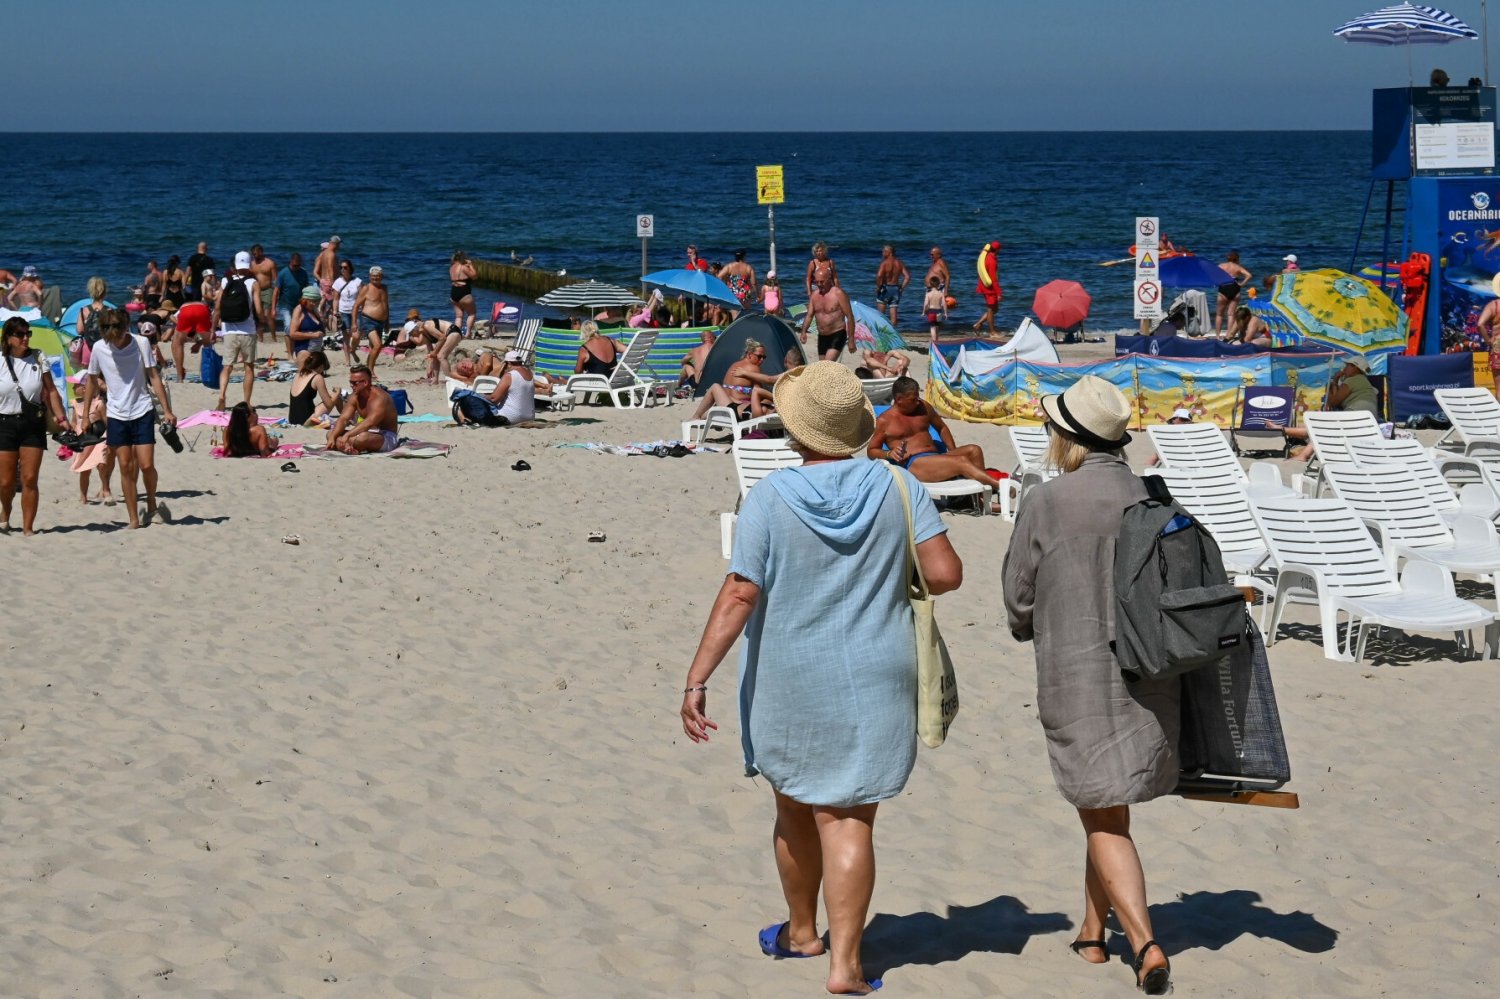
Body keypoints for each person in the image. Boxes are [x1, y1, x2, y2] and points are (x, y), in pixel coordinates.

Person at [680, 361, 962, 997]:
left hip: (790, 674)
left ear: (795, 430)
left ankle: (803, 933)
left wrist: (697, 678)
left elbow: (740, 592)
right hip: (877, 670)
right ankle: (847, 966)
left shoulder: (769, 496)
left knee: (793, 807)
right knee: (850, 819)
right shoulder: (898, 485)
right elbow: (946, 574)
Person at [1002, 375, 1175, 996]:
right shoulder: (1153, 493)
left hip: (1078, 673)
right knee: (1106, 807)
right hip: (1152, 673)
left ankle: (1145, 944)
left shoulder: (1049, 500)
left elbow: (1017, 599)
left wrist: (1037, 618)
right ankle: (1092, 934)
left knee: (1102, 816)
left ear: (1066, 437)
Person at [80, 308, 177, 529]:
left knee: (146, 464)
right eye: (107, 330)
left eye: (115, 330)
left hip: (142, 409)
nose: (112, 336)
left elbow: (153, 376)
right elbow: (92, 381)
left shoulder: (140, 343)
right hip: (116, 414)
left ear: (125, 327)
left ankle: (151, 503)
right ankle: (133, 518)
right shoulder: (99, 348)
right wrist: (85, 415)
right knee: (125, 465)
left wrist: (167, 411)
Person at [868, 376, 999, 503]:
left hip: (935, 457)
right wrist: (889, 454)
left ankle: (979, 499)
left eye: (918, 397)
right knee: (961, 461)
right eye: (913, 399)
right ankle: (999, 485)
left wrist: (952, 451)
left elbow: (942, 428)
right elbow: (871, 451)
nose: (917, 401)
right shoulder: (884, 421)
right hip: (914, 464)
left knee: (974, 450)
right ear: (899, 399)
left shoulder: (923, 407)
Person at [1, 317, 70, 535]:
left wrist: (61, 418)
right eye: (20, 334)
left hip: (33, 423)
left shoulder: (38, 358)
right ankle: (6, 511)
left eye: (27, 333)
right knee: (5, 482)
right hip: (4, 424)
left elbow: (51, 390)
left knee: (29, 478)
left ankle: (28, 528)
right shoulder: (0, 360)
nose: (25, 338)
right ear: (8, 338)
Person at [1279, 355, 1379, 459]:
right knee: (1321, 428)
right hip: (1366, 419)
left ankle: (1288, 437)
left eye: (1347, 366)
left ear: (1356, 368)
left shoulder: (1353, 380)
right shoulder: (1362, 381)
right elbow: (1337, 401)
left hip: (1356, 417)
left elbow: (1333, 402)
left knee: (1322, 429)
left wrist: (1335, 381)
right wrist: (1335, 384)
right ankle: (1285, 432)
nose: (1344, 369)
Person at [213, 252, 262, 410]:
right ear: (249, 265)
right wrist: (262, 322)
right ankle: (246, 402)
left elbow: (218, 307)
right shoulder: (253, 283)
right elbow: (258, 309)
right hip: (248, 330)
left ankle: (222, 396)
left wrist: (213, 328)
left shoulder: (225, 281)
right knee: (249, 367)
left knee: (227, 366)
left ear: (235, 265)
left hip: (229, 330)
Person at [691, 339, 778, 419]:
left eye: (764, 357)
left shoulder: (734, 365)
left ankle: (696, 416)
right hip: (738, 407)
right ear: (749, 355)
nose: (762, 360)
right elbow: (758, 393)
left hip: (723, 403)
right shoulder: (754, 368)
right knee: (767, 401)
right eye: (759, 356)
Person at [326, 364, 398, 454]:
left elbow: (370, 422)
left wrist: (348, 435)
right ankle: (348, 447)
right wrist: (333, 437)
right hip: (364, 432)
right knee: (330, 434)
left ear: (365, 383)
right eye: (350, 382)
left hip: (386, 436)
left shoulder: (380, 398)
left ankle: (346, 445)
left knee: (362, 438)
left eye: (354, 383)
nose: (351, 385)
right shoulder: (354, 396)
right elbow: (343, 419)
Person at [800, 270, 856, 361]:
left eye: (822, 281)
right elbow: (809, 315)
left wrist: (851, 339)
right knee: (823, 366)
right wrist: (803, 332)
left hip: (837, 334)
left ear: (829, 279)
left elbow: (850, 317)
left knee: (827, 364)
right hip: (822, 336)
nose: (819, 284)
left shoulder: (838, 294)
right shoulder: (814, 296)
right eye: (817, 282)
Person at [288, 349, 339, 426]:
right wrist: (338, 392)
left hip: (292, 419)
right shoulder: (317, 377)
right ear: (321, 366)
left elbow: (301, 354)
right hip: (306, 421)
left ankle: (345, 416)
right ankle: (346, 418)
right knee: (336, 395)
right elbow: (329, 404)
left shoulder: (298, 374)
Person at [352, 265, 389, 371]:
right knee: (378, 345)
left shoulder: (384, 288)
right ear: (369, 276)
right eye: (373, 276)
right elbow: (356, 306)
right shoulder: (366, 288)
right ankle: (371, 370)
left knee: (374, 347)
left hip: (381, 322)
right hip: (368, 320)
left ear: (382, 276)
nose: (375, 278)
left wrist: (387, 322)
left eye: (377, 276)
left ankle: (368, 369)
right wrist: (354, 323)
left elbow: (386, 305)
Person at [171, 295, 213, 383]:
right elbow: (212, 338)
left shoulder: (184, 306)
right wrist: (199, 344)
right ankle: (207, 374)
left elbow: (171, 316)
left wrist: (179, 325)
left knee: (177, 343)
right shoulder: (204, 306)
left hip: (186, 310)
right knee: (208, 344)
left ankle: (179, 376)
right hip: (202, 310)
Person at [274, 251, 308, 349]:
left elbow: (306, 289)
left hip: (299, 304)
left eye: (298, 265)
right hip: (285, 304)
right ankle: (290, 352)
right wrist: (273, 308)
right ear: (290, 262)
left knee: (299, 326)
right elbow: (276, 291)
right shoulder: (283, 273)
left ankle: (297, 347)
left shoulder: (303, 273)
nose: (296, 267)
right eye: (294, 265)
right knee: (288, 325)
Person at [1214, 251, 1253, 335]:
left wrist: (1217, 281)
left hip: (1223, 287)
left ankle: (1217, 336)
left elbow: (1213, 274)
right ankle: (1228, 335)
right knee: (1231, 314)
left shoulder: (1221, 266)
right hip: (1234, 288)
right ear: (1237, 259)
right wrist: (1242, 284)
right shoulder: (1238, 267)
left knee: (1219, 314)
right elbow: (1249, 275)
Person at [874, 244, 911, 327]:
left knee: (880, 315)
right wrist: (902, 287)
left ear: (889, 252)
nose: (882, 253)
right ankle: (892, 332)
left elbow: (879, 275)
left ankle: (881, 332)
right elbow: (907, 277)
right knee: (894, 316)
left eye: (884, 251)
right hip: (895, 289)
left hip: (885, 288)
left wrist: (878, 287)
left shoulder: (884, 263)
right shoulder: (899, 263)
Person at [248, 244, 277, 342]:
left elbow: (275, 280)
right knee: (258, 314)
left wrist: (275, 294)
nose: (254, 256)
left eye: (255, 254)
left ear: (261, 252)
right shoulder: (251, 264)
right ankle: (260, 338)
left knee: (267, 314)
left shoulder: (270, 263)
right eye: (253, 254)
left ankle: (273, 337)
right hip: (256, 291)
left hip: (268, 290)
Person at [288, 285, 327, 357]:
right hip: (304, 350)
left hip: (317, 350)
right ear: (305, 300)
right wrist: (313, 335)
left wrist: (322, 315)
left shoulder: (314, 310)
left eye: (316, 301)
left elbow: (323, 331)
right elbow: (292, 334)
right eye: (312, 301)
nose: (314, 303)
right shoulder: (299, 310)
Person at [76, 276, 111, 356]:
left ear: (90, 291)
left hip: (89, 349)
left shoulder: (84, 311)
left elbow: (79, 331)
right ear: (105, 292)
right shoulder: (110, 311)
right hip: (105, 349)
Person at [974, 241, 1002, 334]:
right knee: (991, 309)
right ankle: (992, 332)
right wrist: (999, 293)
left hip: (984, 285)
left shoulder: (987, 256)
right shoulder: (992, 261)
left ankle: (978, 324)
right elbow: (994, 279)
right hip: (989, 289)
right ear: (997, 250)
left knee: (995, 309)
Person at [677, 329, 717, 393]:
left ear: (702, 339)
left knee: (686, 366)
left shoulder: (695, 350)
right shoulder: (718, 349)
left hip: (699, 385)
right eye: (715, 337)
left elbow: (682, 362)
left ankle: (678, 386)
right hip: (715, 384)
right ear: (711, 337)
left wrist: (696, 365)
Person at [333, 260, 361, 351]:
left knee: (357, 335)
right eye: (341, 267)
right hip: (343, 312)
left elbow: (362, 297)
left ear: (350, 268)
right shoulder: (337, 282)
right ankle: (347, 358)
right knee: (346, 337)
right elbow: (336, 299)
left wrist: (363, 308)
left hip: (356, 312)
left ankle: (352, 349)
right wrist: (335, 311)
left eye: (345, 267)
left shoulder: (357, 281)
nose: (343, 269)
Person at [449, 250, 478, 335]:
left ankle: (457, 334)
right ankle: (468, 333)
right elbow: (474, 276)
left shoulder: (452, 267)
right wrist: (471, 265)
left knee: (459, 316)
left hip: (453, 292)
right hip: (463, 291)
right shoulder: (463, 267)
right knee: (472, 314)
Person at [720, 250, 757, 314]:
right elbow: (754, 283)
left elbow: (719, 276)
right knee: (745, 313)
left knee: (734, 313)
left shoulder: (729, 266)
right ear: (744, 257)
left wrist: (725, 284)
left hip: (733, 292)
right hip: (745, 293)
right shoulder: (748, 267)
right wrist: (757, 294)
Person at [314, 236, 341, 320]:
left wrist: (321, 280)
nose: (339, 247)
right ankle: (329, 322)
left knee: (326, 303)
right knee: (334, 306)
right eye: (339, 244)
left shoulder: (323, 253)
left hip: (323, 281)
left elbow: (315, 271)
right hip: (329, 282)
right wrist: (334, 285)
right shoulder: (331, 254)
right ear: (335, 244)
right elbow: (330, 269)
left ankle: (322, 319)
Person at [923, 277, 945, 341]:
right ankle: (937, 340)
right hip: (939, 312)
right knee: (937, 326)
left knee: (932, 327)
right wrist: (946, 313)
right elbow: (944, 304)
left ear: (930, 284)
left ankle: (934, 341)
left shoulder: (928, 294)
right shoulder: (941, 294)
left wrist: (924, 312)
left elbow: (926, 304)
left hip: (931, 312)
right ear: (938, 284)